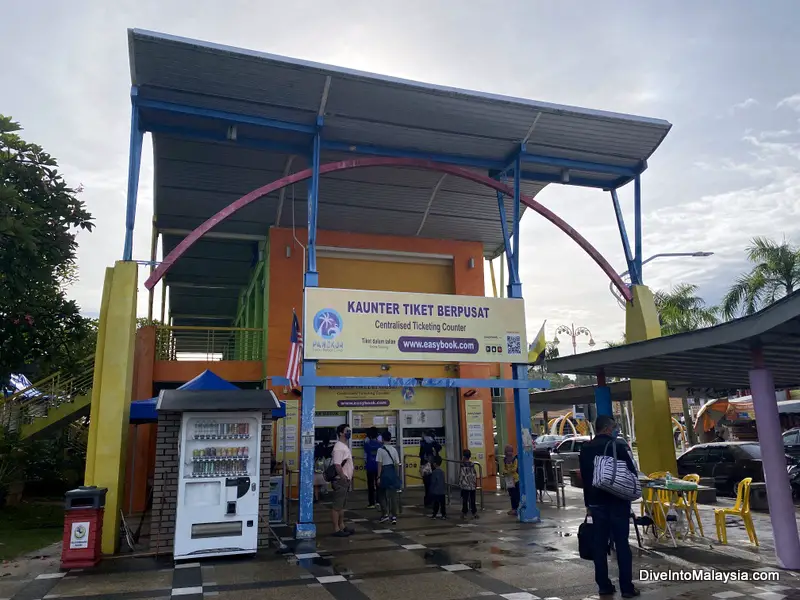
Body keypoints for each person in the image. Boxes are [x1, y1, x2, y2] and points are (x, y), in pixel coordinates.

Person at [579, 415, 640, 598]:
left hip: (596, 503)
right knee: (621, 544)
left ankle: (604, 585)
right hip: (617, 502)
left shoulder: (585, 448)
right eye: (614, 427)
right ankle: (627, 588)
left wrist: (588, 504)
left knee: (599, 545)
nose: (616, 430)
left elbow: (585, 479)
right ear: (607, 428)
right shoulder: (617, 445)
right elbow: (631, 471)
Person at [331, 423, 354, 538]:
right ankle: (336, 528)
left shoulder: (344, 446)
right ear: (341, 433)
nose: (349, 433)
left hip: (345, 480)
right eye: (347, 431)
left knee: (341, 505)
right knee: (337, 506)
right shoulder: (339, 447)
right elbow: (337, 464)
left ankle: (342, 526)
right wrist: (342, 476)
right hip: (341, 480)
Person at [376, 430, 402, 525]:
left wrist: (378, 476)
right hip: (392, 472)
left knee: (381, 493)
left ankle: (385, 514)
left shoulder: (380, 450)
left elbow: (379, 464)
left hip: (384, 472)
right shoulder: (394, 450)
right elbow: (397, 464)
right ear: (390, 439)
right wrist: (396, 475)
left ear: (382, 439)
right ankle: (394, 516)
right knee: (393, 496)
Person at [419, 430, 441, 507]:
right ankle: (429, 501)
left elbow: (439, 448)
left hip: (429, 467)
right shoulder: (426, 444)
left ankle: (429, 501)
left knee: (429, 485)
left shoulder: (428, 443)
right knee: (429, 484)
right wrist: (432, 444)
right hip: (429, 467)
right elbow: (422, 453)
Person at [364, 427, 382, 509]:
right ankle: (379, 501)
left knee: (370, 485)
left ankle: (371, 503)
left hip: (370, 466)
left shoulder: (367, 444)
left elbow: (365, 456)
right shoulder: (380, 445)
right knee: (378, 485)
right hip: (378, 467)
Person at [459, 449, 478, 520]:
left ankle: (464, 513)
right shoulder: (472, 464)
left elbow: (462, 475)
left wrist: (460, 483)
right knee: (473, 499)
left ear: (463, 456)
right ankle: (474, 512)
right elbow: (474, 474)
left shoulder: (462, 465)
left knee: (465, 499)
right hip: (472, 485)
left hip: (465, 485)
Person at [501, 444, 519, 516]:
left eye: (511, 451)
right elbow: (503, 469)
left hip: (515, 480)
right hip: (509, 480)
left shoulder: (515, 459)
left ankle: (517, 509)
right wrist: (508, 472)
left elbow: (514, 469)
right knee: (511, 495)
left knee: (516, 495)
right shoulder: (504, 460)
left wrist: (507, 472)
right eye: (508, 451)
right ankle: (513, 508)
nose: (509, 453)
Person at [313, 431, 332, 502]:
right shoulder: (330, 448)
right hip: (322, 468)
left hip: (317, 467)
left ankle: (317, 497)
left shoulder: (318, 447)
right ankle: (323, 491)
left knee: (316, 483)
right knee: (323, 479)